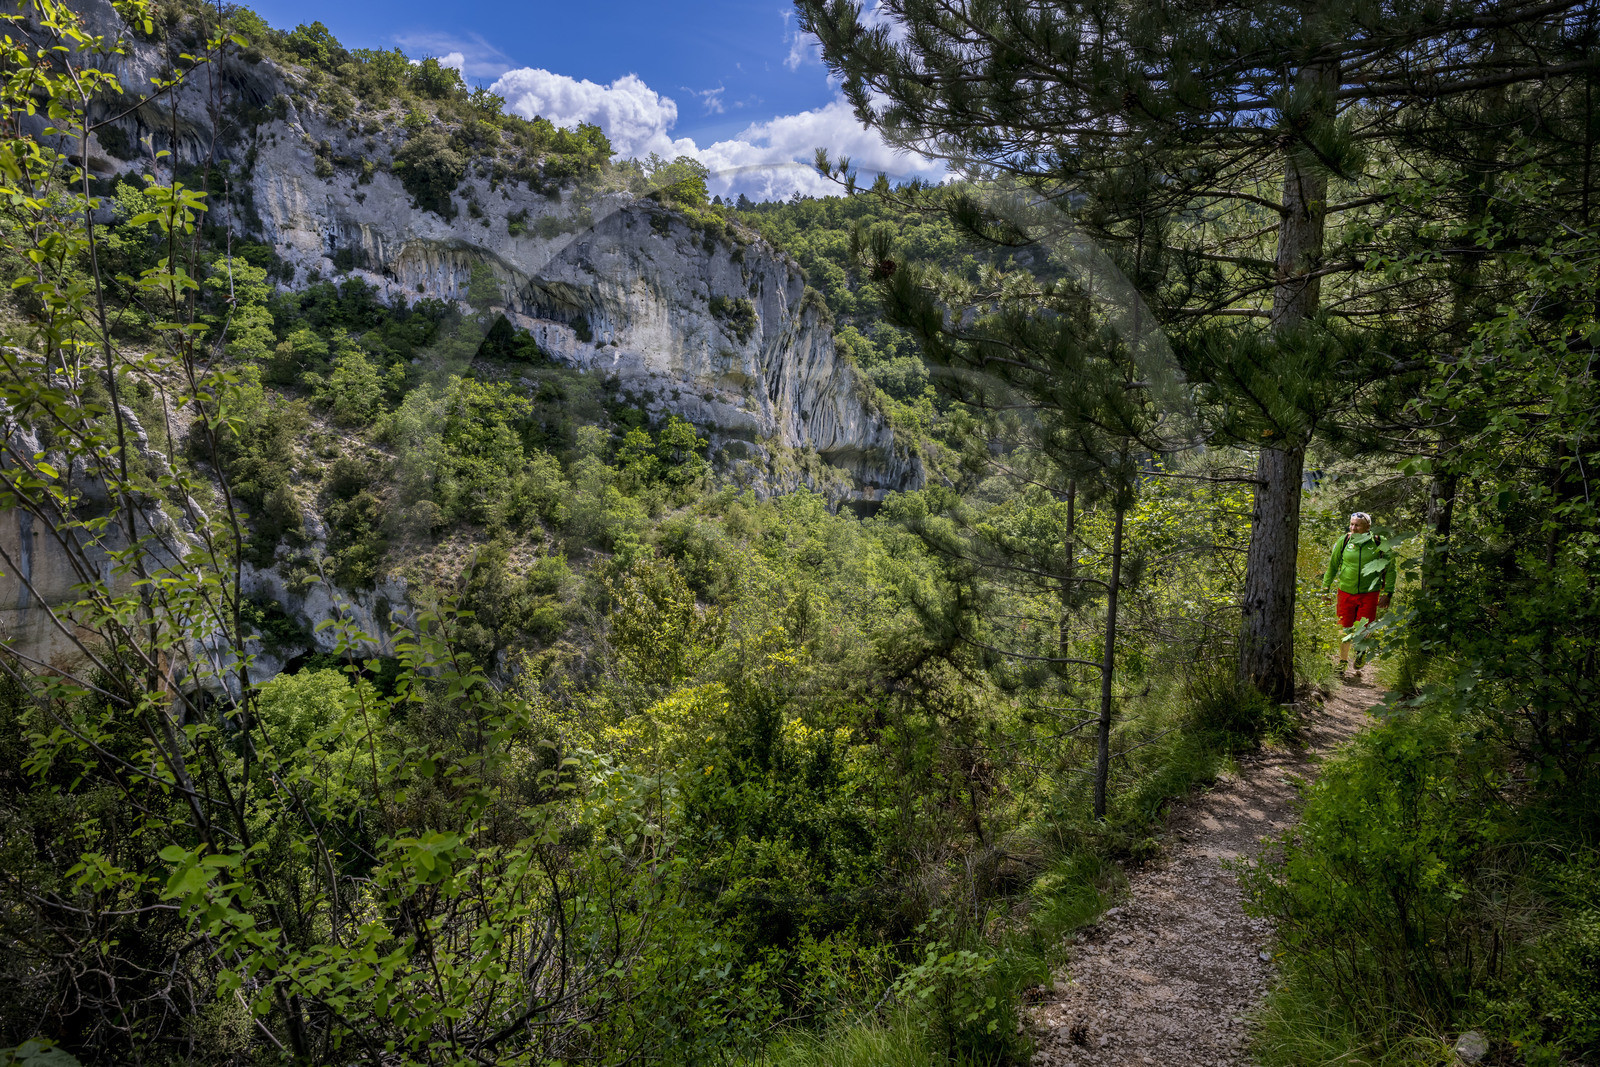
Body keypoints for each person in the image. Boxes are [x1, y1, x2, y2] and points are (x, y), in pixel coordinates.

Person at [1322, 511, 1395, 675]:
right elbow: (1332, 566)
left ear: (1368, 527)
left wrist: (1388, 593)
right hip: (1345, 591)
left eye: (1357, 525)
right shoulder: (1344, 540)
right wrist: (1325, 589)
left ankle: (1361, 652)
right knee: (1344, 627)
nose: (1353, 528)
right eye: (1351, 524)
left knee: (1364, 627)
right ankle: (1342, 661)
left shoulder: (1378, 542)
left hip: (1370, 593)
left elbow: (1390, 569)